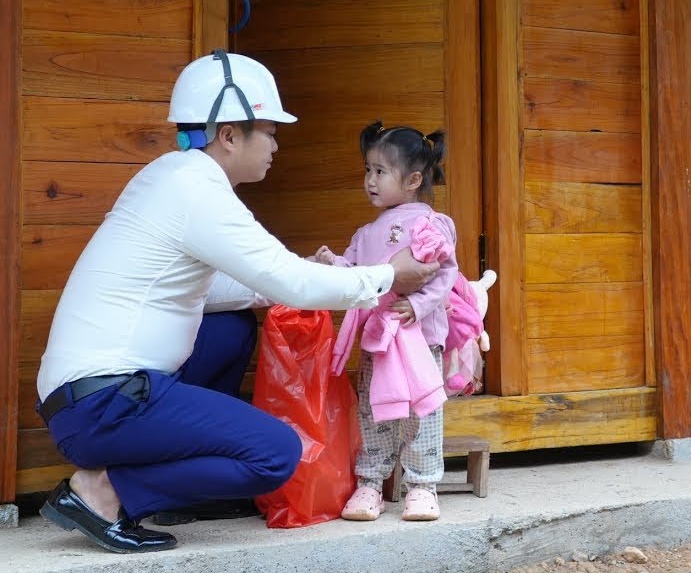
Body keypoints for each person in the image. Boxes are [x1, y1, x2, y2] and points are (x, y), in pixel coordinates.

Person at [35, 51, 443, 553]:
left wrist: (304, 275)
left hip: (87, 398)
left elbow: (229, 287)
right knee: (276, 454)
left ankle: (169, 476)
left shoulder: (170, 175)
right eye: (269, 131)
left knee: (232, 330)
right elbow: (286, 280)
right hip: (108, 402)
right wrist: (387, 275)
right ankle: (104, 492)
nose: (275, 144)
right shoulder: (198, 191)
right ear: (229, 135)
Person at [317, 122, 457, 522]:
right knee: (373, 410)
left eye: (380, 171)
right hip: (378, 338)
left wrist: (420, 305)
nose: (370, 180)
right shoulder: (365, 233)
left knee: (422, 411)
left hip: (419, 337)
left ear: (413, 180)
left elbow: (445, 273)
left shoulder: (432, 223)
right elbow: (356, 273)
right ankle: (370, 483)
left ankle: (423, 485)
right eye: (367, 170)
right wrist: (335, 264)